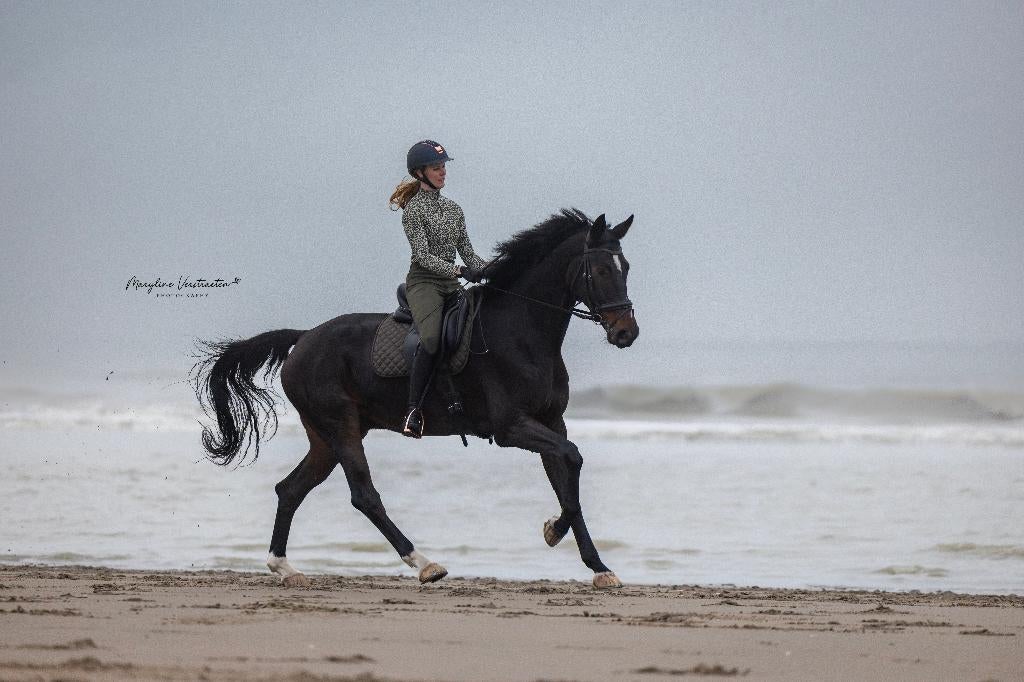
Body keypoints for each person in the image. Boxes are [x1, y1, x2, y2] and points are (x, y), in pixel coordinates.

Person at [389, 140, 488, 438]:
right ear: (420, 172)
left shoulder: (454, 209)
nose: (443, 172)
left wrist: (492, 269)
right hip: (424, 282)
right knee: (431, 339)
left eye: (444, 166)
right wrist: (459, 270)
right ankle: (413, 411)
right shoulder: (413, 211)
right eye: (436, 168)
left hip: (450, 282)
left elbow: (468, 252)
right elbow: (423, 256)